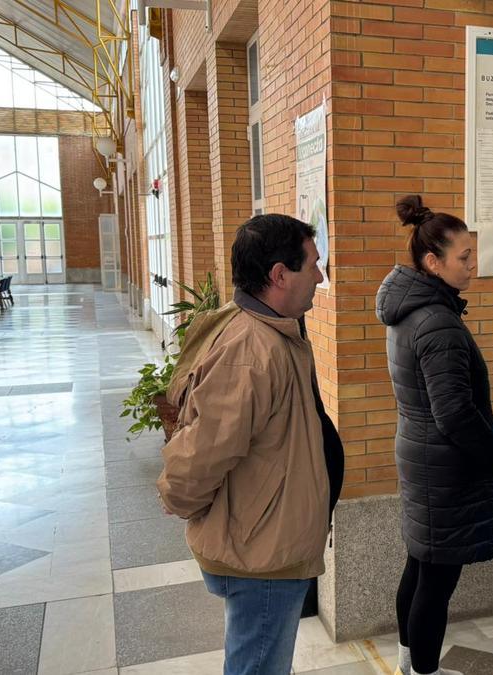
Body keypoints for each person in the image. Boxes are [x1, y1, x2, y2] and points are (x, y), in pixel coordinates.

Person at [157, 214, 344, 675]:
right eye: (313, 266)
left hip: (266, 538)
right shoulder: (250, 350)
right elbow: (202, 452)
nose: (320, 277)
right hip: (259, 551)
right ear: (279, 275)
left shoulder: (273, 329)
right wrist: (177, 495)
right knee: (257, 665)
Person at [376, 195, 493, 675]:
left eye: (473, 254)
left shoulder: (411, 309)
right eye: (464, 258)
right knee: (435, 581)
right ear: (432, 262)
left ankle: (410, 664)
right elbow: (454, 414)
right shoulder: (438, 324)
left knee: (420, 565)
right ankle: (423, 671)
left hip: (422, 454)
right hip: (444, 466)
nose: (473, 266)